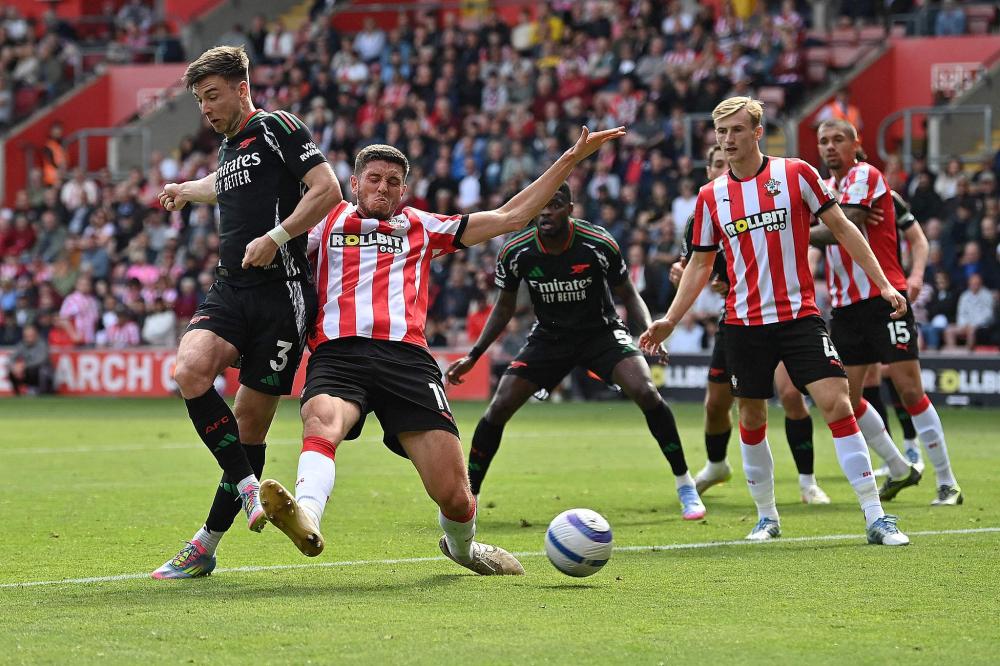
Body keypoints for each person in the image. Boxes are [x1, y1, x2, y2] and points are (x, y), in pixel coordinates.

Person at [257, 127, 626, 576]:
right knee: (321, 420)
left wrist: (571, 157)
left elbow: (512, 216)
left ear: (404, 189)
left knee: (454, 495)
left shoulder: (423, 225)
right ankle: (307, 515)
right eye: (373, 178)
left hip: (407, 361)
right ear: (353, 183)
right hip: (340, 354)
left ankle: (464, 549)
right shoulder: (320, 225)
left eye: (393, 182)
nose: (382, 188)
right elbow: (259, 228)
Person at [640, 97, 910, 546]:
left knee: (836, 403)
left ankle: (876, 516)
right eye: (721, 132)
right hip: (744, 325)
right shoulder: (710, 197)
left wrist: (882, 282)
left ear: (758, 132)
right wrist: (670, 318)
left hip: (799, 317)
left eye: (737, 131)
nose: (727, 140)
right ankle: (767, 517)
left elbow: (844, 228)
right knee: (750, 413)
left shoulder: (796, 174)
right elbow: (700, 266)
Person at [151, 45, 343, 579]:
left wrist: (278, 236)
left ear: (241, 88)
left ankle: (204, 546)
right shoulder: (229, 150)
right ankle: (249, 488)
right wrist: (186, 191)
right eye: (199, 100)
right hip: (232, 288)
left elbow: (326, 189)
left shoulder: (278, 126)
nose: (206, 109)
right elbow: (225, 186)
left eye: (212, 95)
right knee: (189, 369)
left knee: (250, 426)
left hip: (283, 295)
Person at [445, 182, 707, 521]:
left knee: (646, 390)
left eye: (554, 204)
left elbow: (627, 293)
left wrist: (648, 331)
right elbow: (504, 307)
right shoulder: (517, 251)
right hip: (549, 339)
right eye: (540, 205)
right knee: (499, 407)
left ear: (571, 208)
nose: (545, 212)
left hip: (601, 333)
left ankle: (685, 484)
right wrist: (475, 354)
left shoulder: (598, 243)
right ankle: (470, 498)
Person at [812, 118, 961, 506]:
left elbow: (850, 223)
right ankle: (898, 466)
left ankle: (947, 481)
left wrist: (793, 227)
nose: (830, 147)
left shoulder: (866, 175)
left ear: (855, 143)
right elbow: (825, 230)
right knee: (847, 397)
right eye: (824, 141)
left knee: (909, 389)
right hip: (845, 308)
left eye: (838, 140)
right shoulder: (825, 190)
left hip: (884, 299)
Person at [673, 145, 831, 504]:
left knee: (791, 395)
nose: (721, 167)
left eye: (724, 161)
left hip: (784, 313)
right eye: (714, 163)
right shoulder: (706, 209)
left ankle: (808, 482)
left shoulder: (766, 197)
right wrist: (682, 276)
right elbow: (695, 266)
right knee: (716, 404)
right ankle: (717, 464)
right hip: (736, 320)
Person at [7, 324, 54, 395]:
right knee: (12, 372)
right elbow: (11, 358)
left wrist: (23, 366)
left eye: (31, 335)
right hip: (27, 371)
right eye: (26, 336)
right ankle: (17, 394)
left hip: (40, 371)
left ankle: (43, 393)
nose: (28, 338)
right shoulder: (21, 345)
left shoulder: (42, 344)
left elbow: (41, 360)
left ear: (36, 335)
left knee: (43, 370)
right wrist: (15, 367)